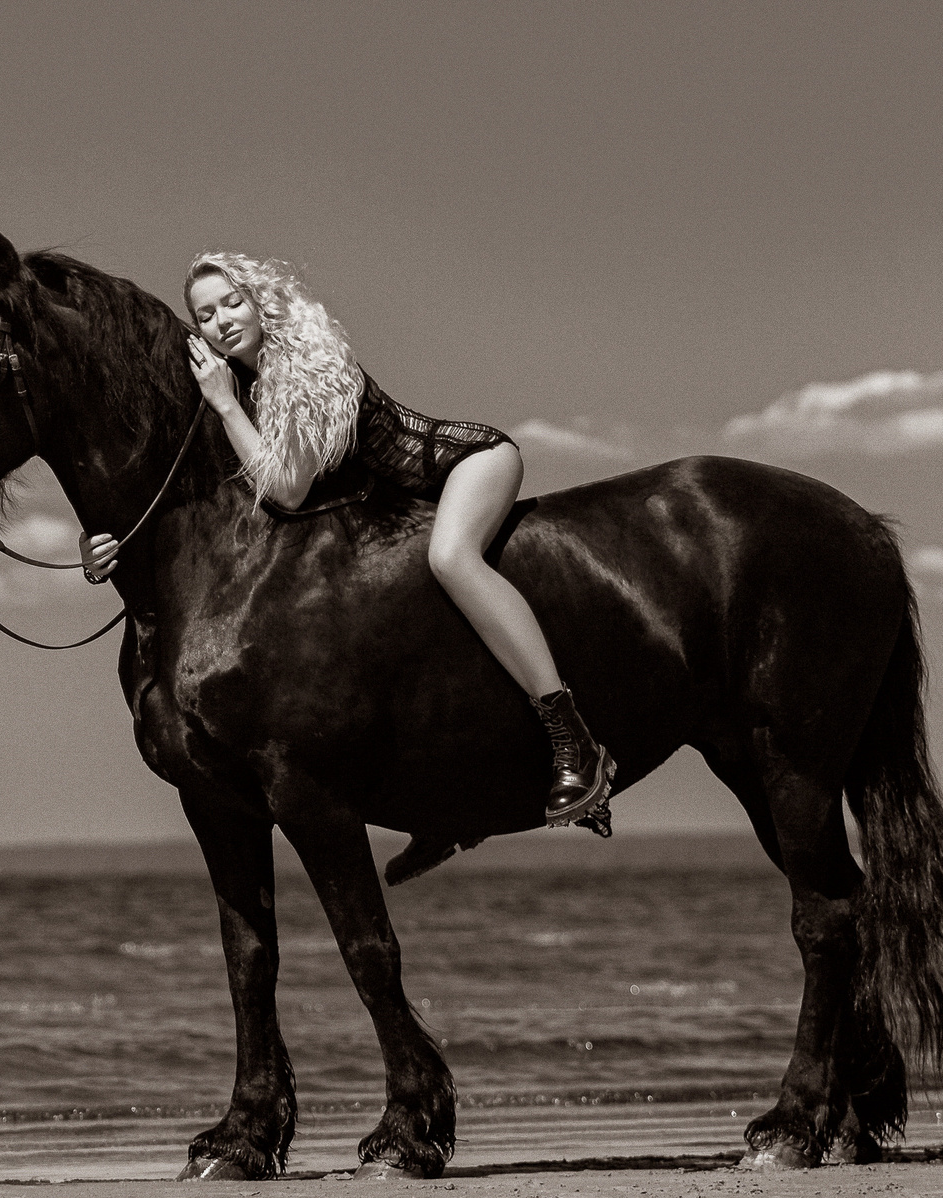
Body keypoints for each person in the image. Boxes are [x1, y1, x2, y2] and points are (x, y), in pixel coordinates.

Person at [83, 252, 612, 829]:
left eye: (233, 302)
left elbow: (286, 490)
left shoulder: (303, 366)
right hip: (395, 508)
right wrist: (107, 550)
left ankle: (573, 739)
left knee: (452, 559)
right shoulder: (240, 381)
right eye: (205, 315)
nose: (223, 321)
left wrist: (224, 403)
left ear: (261, 302)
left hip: (466, 463)